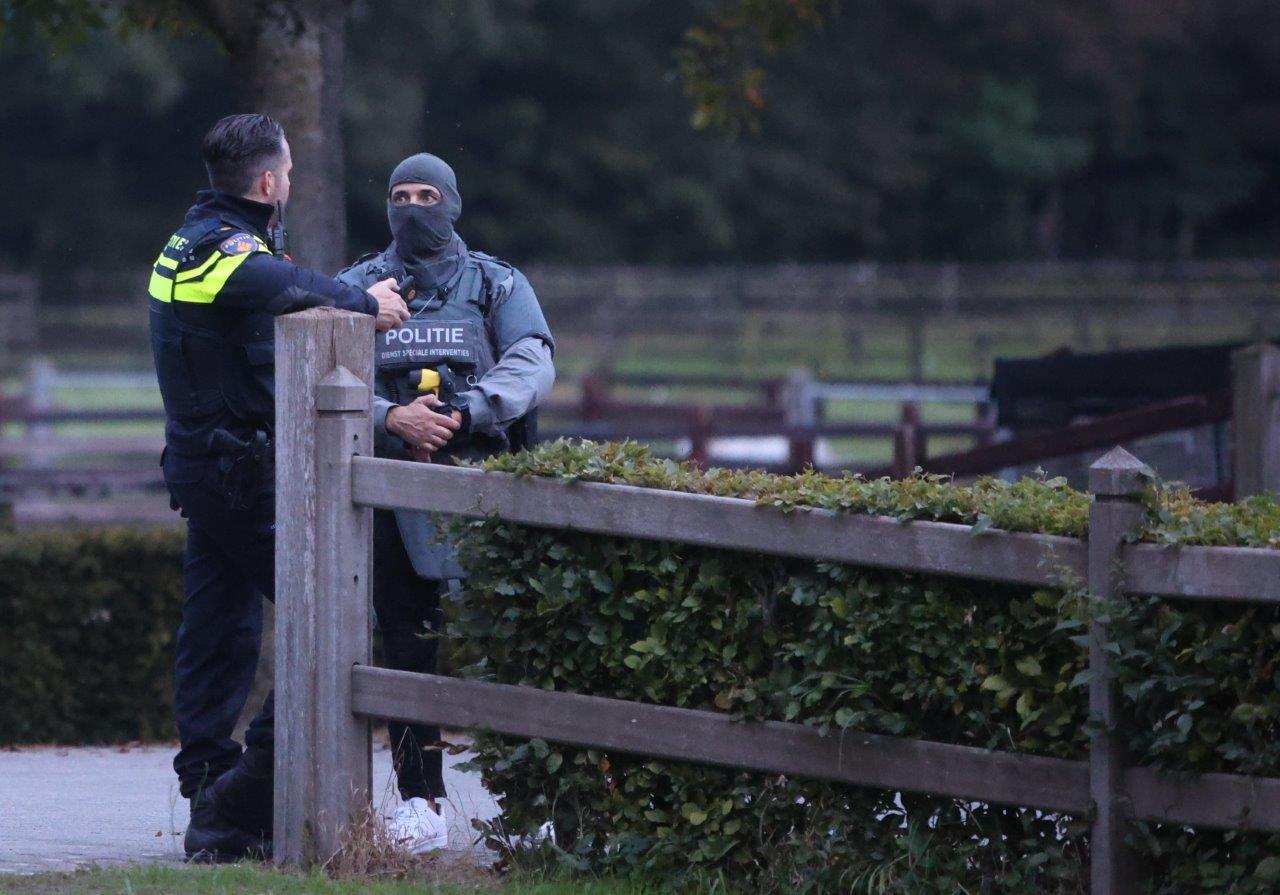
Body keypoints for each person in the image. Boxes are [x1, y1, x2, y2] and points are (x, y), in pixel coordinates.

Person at [148, 113, 410, 862]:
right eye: (289, 173)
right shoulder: (221, 250)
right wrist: (367, 304)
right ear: (268, 182)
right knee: (330, 616)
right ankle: (237, 802)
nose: (291, 183)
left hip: (210, 468)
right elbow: (277, 282)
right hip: (232, 474)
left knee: (219, 631)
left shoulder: (189, 239)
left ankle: (212, 796)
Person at [335, 152, 555, 852]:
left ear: (454, 203)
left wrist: (467, 411)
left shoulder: (496, 282)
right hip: (389, 495)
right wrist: (389, 416)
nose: (412, 207)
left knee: (511, 645)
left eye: (427, 195)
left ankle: (531, 808)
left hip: (488, 490)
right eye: (400, 195)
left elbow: (533, 360)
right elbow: (320, 367)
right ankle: (420, 803)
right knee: (406, 644)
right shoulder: (357, 287)